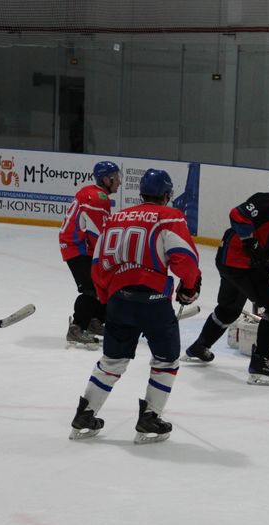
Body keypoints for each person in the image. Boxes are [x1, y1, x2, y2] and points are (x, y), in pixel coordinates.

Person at [69, 168, 201, 444]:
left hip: (119, 299)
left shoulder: (116, 218)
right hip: (153, 301)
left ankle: (85, 415)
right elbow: (185, 258)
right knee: (166, 360)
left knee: (112, 361)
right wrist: (189, 288)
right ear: (166, 195)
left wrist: (107, 299)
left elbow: (98, 264)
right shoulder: (170, 216)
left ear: (141, 193)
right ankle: (150, 418)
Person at [184, 168, 269, 385]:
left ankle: (199, 347)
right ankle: (260, 365)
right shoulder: (266, 203)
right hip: (240, 265)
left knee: (229, 309)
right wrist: (248, 240)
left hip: (231, 264)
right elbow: (237, 214)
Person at [59, 160, 121, 348]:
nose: (119, 182)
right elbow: (97, 233)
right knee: (91, 288)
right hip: (77, 247)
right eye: (116, 178)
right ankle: (77, 328)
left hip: (80, 246)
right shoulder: (98, 197)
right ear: (105, 179)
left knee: (103, 283)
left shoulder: (94, 192)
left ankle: (95, 321)